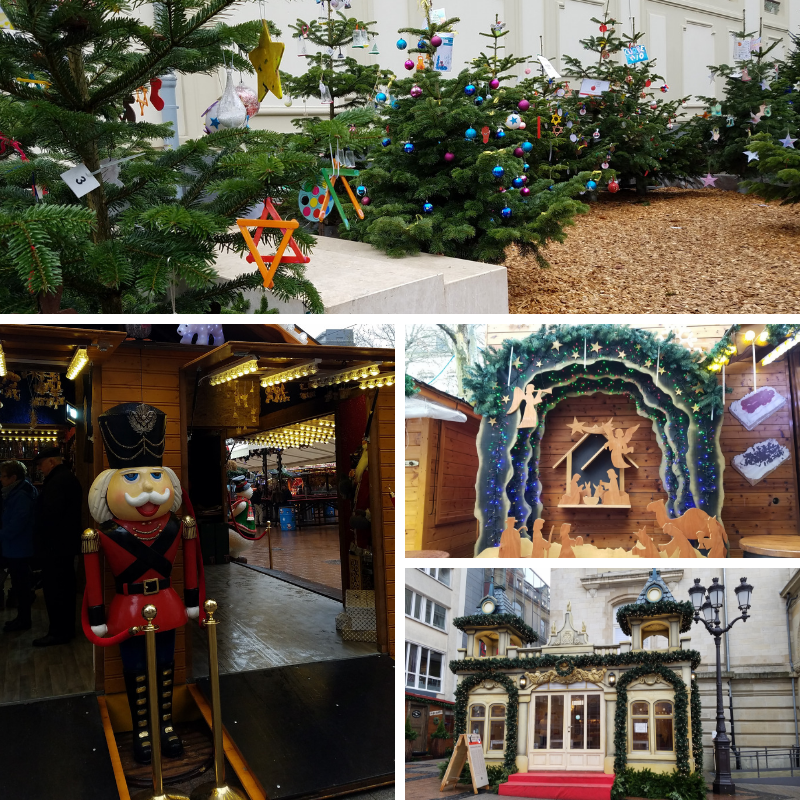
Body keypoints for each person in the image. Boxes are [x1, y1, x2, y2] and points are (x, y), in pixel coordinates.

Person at [83, 402, 201, 764]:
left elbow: (193, 566)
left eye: (154, 476)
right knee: (134, 669)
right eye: (132, 478)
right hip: (127, 608)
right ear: (107, 487)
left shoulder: (179, 526)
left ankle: (165, 725)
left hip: (165, 602)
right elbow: (92, 579)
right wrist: (98, 614)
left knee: (165, 665)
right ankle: (142, 730)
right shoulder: (99, 534)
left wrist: (193, 598)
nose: (149, 489)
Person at [31, 446, 83, 647]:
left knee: (57, 591)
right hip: (64, 547)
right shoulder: (66, 478)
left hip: (56, 548)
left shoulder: (58, 481)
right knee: (64, 589)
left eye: (42, 465)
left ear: (51, 462)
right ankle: (64, 629)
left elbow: (51, 517)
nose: (40, 469)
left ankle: (59, 632)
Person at [0, 460, 37, 632]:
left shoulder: (20, 495)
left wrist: (2, 534)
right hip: (17, 546)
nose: (1, 479)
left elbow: (17, 523)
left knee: (21, 585)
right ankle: (22, 618)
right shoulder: (20, 491)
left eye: (3, 476)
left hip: (18, 547)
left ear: (13, 477)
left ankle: (23, 620)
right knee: (20, 585)